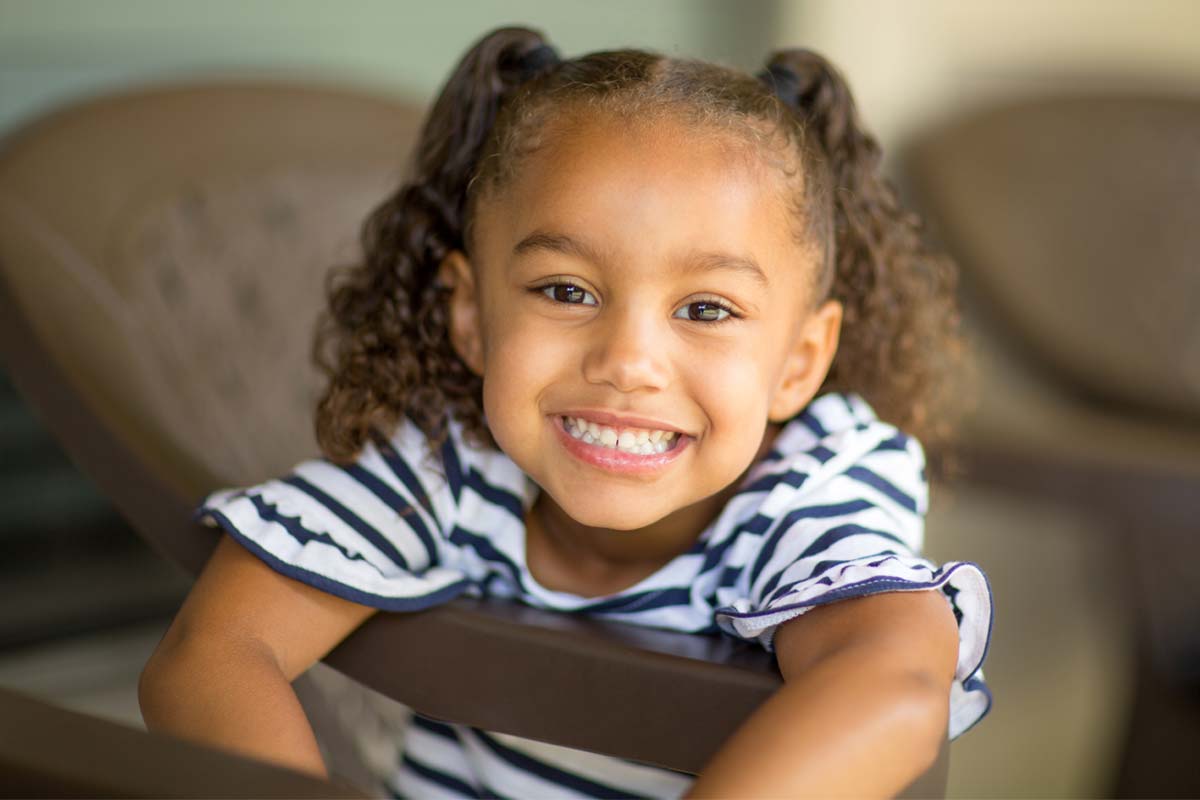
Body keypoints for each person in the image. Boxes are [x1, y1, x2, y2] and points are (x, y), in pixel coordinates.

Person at [139, 25, 992, 799]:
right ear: (471, 317)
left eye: (705, 308)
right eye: (566, 290)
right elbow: (211, 653)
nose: (626, 362)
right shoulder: (447, 462)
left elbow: (893, 685)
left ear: (800, 362)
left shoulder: (814, 485)